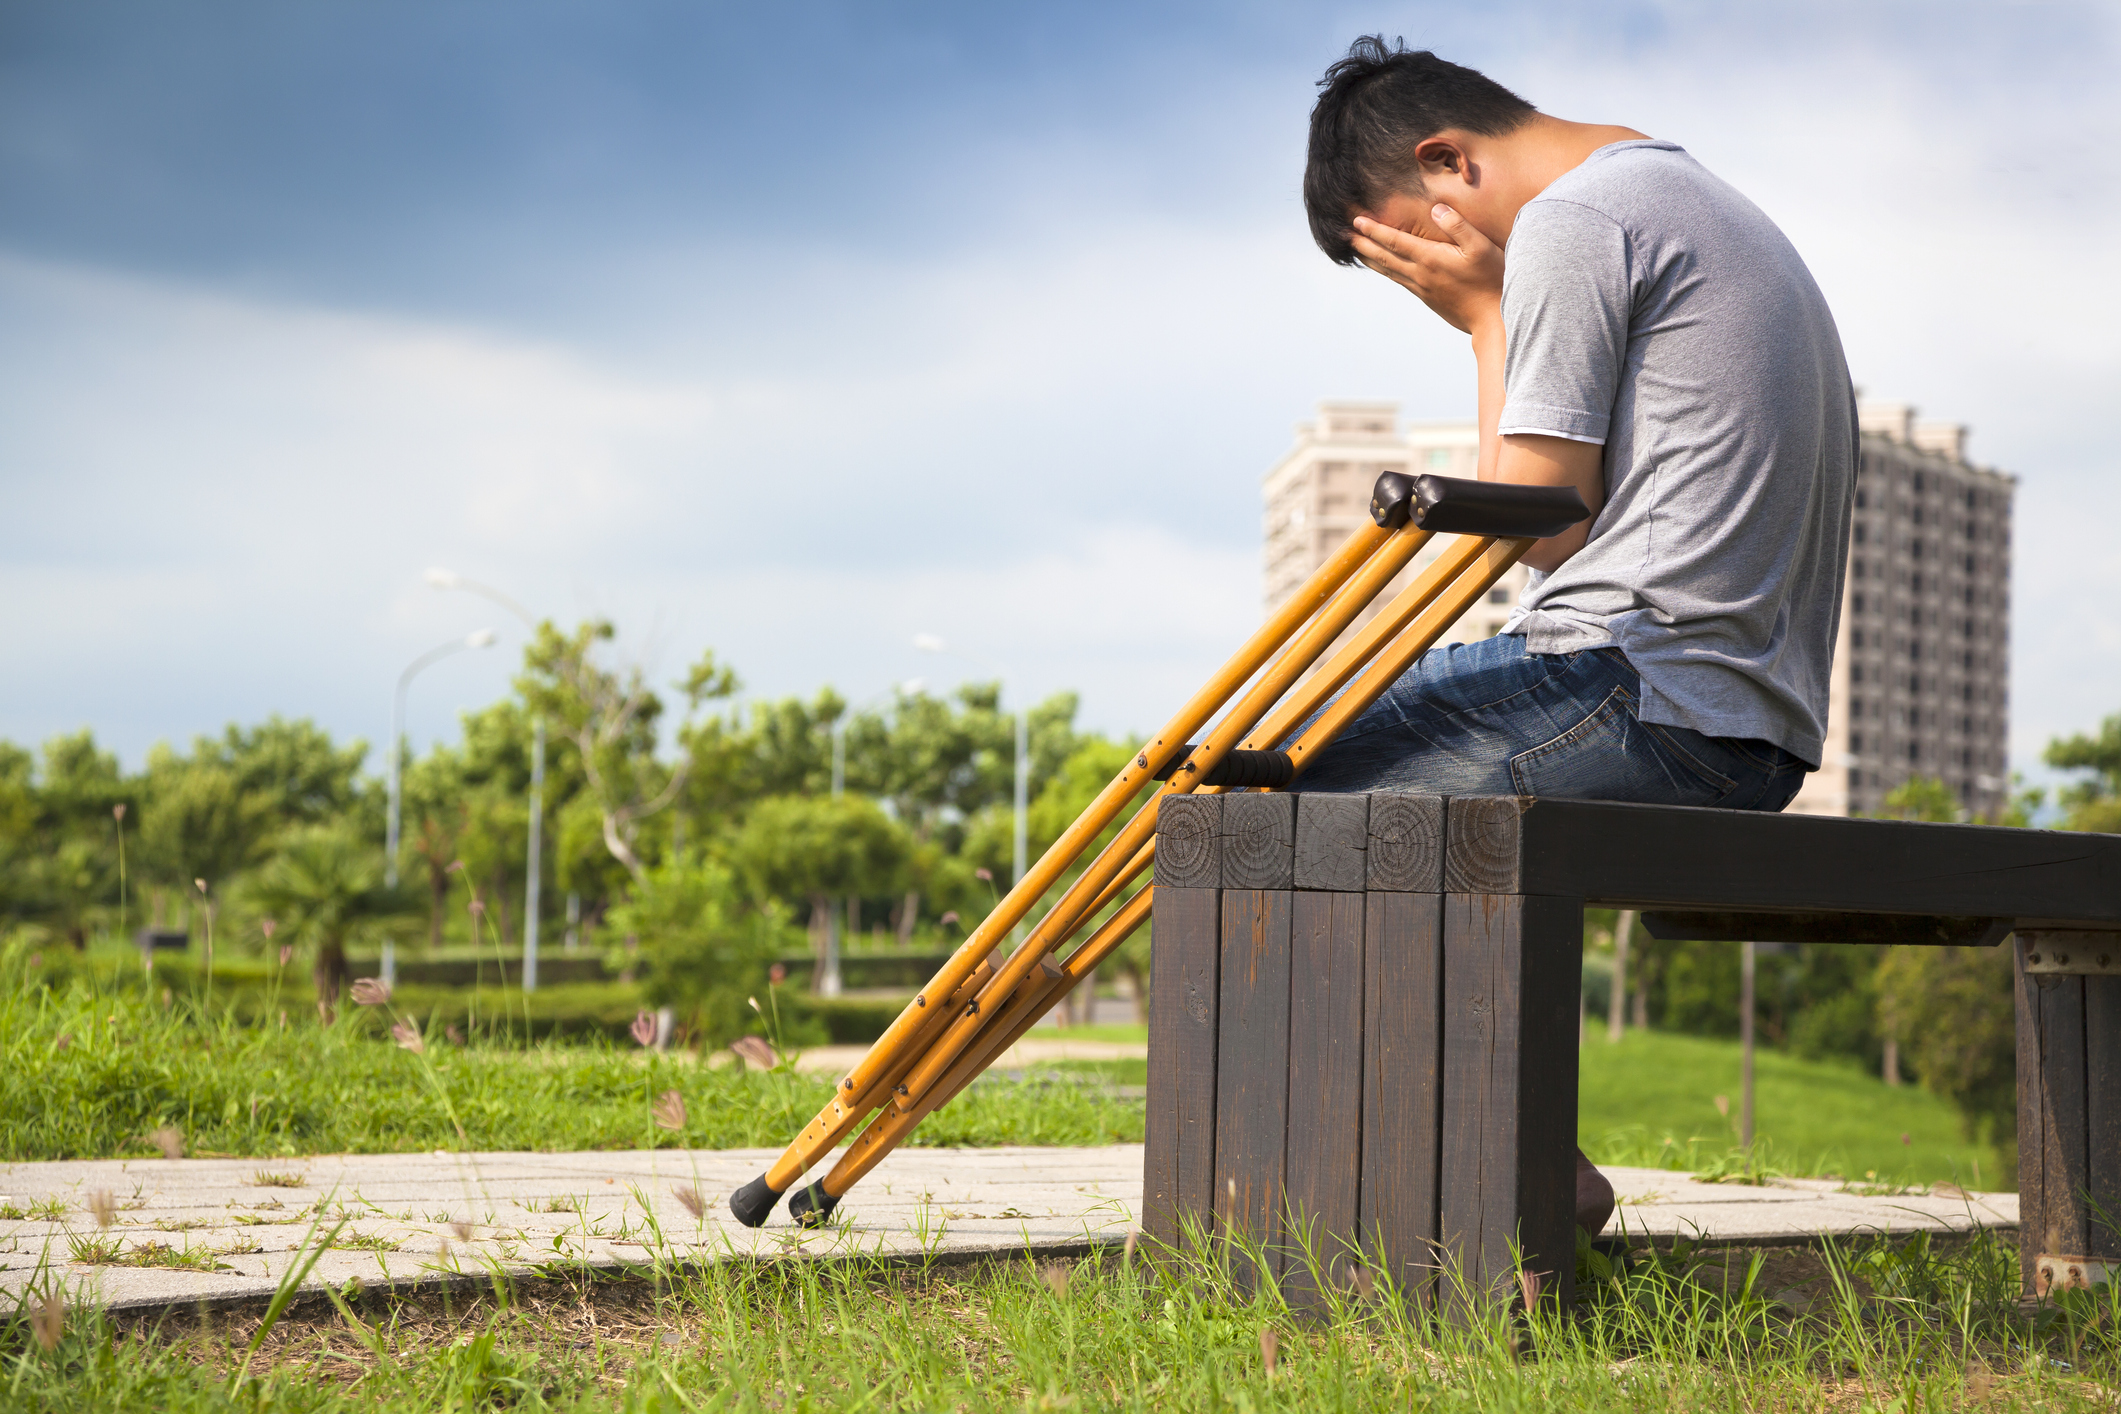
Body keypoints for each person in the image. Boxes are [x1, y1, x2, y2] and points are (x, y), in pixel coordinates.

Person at [1297, 38, 1858, 1235]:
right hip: (1741, 724)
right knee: (1302, 793)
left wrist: (1483, 316)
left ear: (1448, 163)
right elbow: (1565, 523)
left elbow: (1539, 520)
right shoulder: (1686, 195)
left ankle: (1443, 1189)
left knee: (1264, 788)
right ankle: (1513, 1163)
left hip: (1631, 685)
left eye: (1413, 244)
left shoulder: (1574, 218)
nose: (1427, 270)